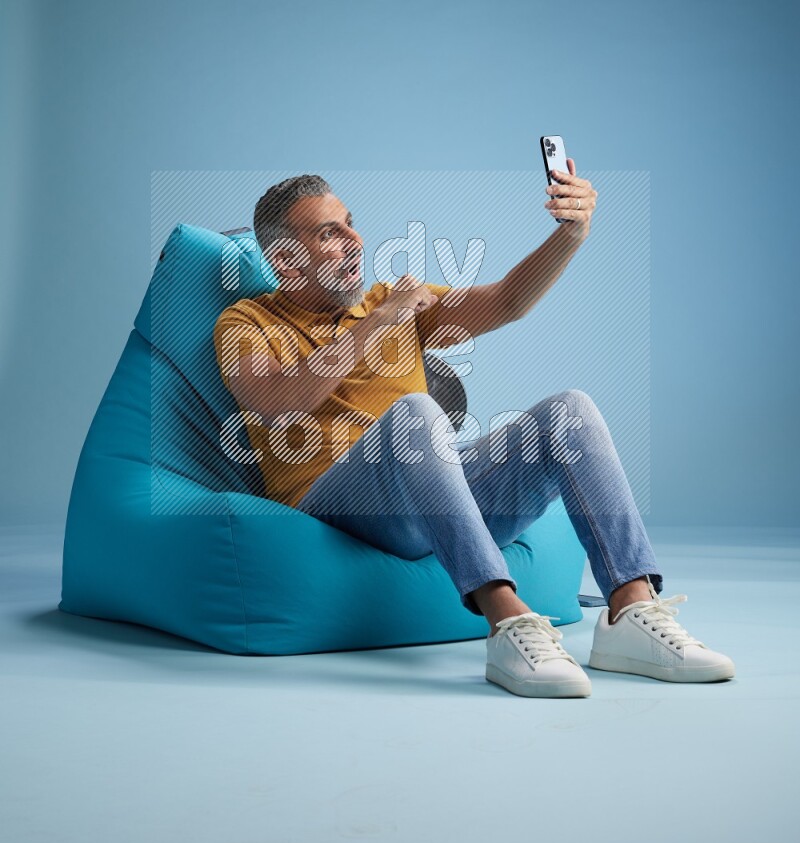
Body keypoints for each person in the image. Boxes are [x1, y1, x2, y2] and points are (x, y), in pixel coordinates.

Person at [213, 171, 735, 698]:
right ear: (284, 260)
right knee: (416, 413)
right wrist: (379, 322)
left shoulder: (391, 301)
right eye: (329, 234)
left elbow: (507, 301)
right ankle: (507, 621)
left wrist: (570, 234)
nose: (355, 241)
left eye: (351, 225)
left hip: (429, 506)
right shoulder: (246, 321)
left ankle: (631, 609)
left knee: (569, 412)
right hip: (337, 512)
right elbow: (277, 403)